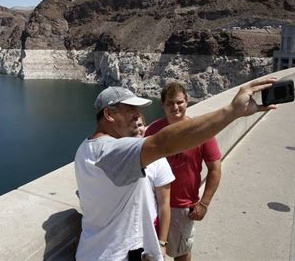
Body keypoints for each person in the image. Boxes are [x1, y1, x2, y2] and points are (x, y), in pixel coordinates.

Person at [74, 78, 276, 261]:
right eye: (130, 110)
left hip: (91, 251)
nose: (138, 116)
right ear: (109, 114)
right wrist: (232, 111)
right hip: (119, 255)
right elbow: (164, 142)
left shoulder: (84, 149)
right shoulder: (113, 150)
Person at [145, 82, 222, 261]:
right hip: (154, 203)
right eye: (170, 103)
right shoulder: (154, 130)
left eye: (179, 102)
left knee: (181, 252)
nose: (175, 107)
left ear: (187, 102)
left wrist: (204, 203)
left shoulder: (201, 130)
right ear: (162, 105)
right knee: (152, 251)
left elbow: (215, 170)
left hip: (182, 206)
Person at [136, 114, 174, 259]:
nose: (137, 129)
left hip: (148, 231)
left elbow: (164, 204)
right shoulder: (115, 154)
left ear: (145, 128)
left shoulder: (157, 159)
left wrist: (162, 243)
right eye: (133, 125)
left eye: (140, 125)